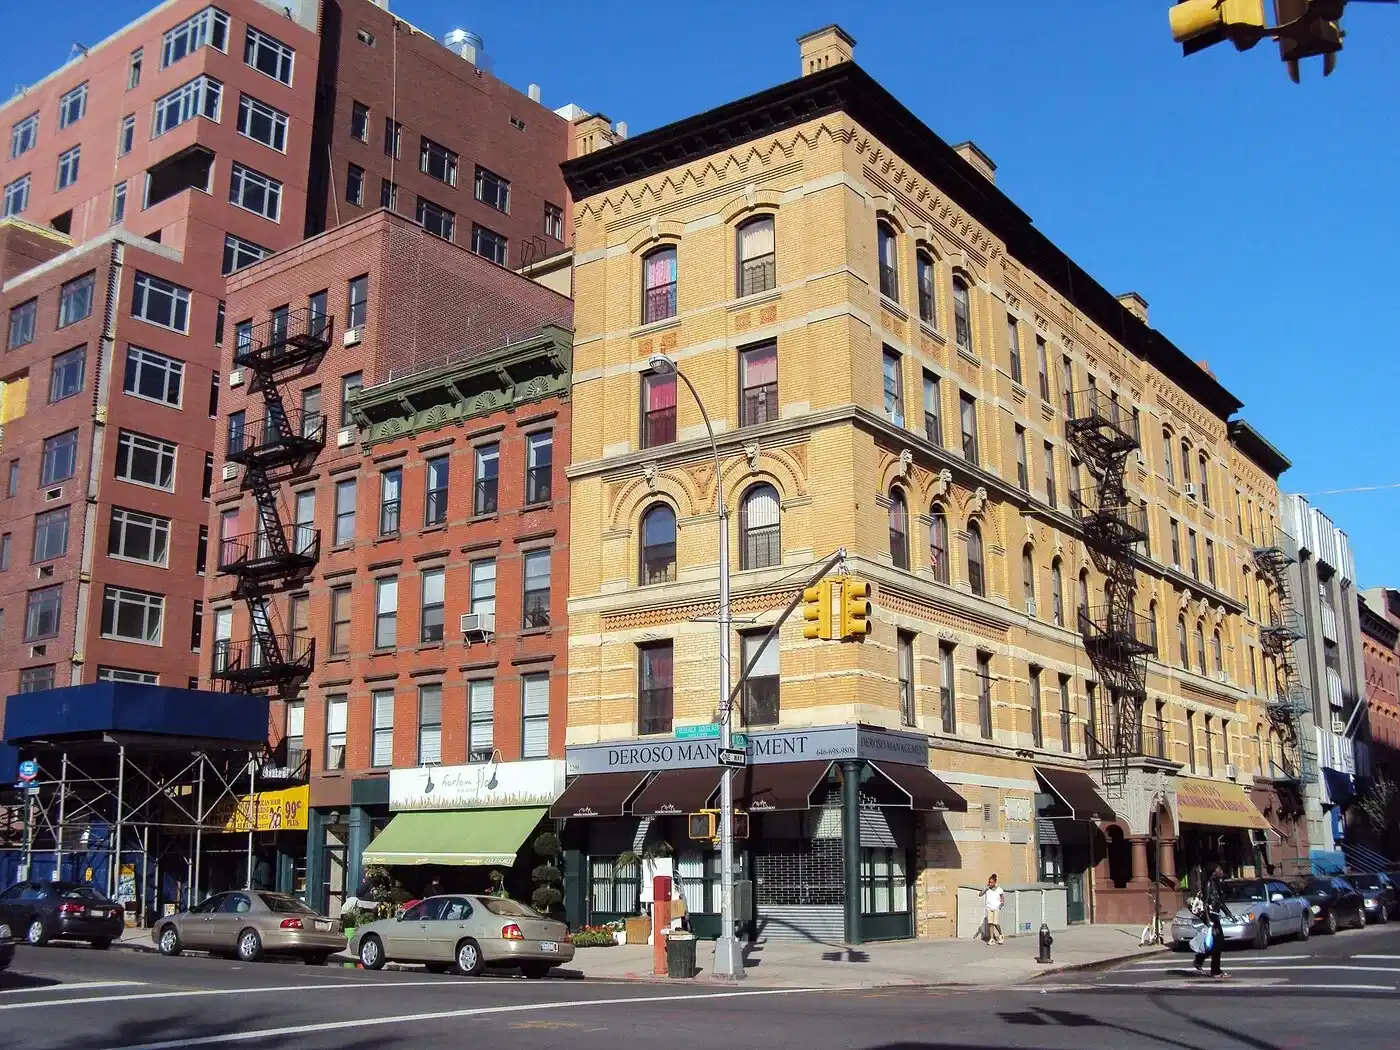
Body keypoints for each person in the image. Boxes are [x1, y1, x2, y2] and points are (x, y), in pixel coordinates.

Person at [1193, 864, 1234, 978]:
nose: (1221, 871)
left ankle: (1199, 960)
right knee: (1217, 943)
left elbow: (1220, 902)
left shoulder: (1217, 883)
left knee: (1217, 943)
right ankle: (1215, 971)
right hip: (1211, 917)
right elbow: (1206, 903)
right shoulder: (1209, 883)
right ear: (1213, 872)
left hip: (1215, 916)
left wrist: (1229, 914)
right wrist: (1208, 920)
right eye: (1219, 869)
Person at [981, 873, 1006, 945]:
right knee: (990, 923)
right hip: (989, 908)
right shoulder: (987, 889)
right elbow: (980, 894)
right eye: (989, 882)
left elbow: (1002, 897)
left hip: (996, 908)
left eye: (991, 882)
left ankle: (1001, 934)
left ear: (995, 882)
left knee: (996, 923)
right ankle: (992, 939)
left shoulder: (999, 889)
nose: (990, 883)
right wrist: (985, 888)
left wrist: (1002, 903)